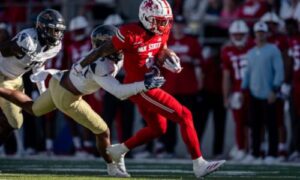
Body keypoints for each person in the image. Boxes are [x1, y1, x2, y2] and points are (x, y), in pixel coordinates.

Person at [73, 0, 225, 178]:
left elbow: (161, 48)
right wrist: (80, 66)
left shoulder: (163, 30)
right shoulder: (130, 33)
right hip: (139, 86)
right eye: (160, 20)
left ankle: (119, 150)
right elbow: (101, 50)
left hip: (151, 81)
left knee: (158, 128)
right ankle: (199, 164)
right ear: (146, 18)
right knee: (185, 115)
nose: (165, 24)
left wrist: (168, 56)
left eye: (166, 20)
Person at [0, 24, 165, 177]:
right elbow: (119, 92)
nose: (119, 45)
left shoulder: (109, 55)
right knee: (102, 131)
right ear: (104, 46)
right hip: (68, 96)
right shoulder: (101, 65)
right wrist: (144, 84)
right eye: (115, 42)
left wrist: (158, 58)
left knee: (33, 108)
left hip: (59, 80)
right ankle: (112, 168)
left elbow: (137, 53)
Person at [0, 9, 66, 147]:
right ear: (42, 27)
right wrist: (15, 48)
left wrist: (43, 91)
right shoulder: (27, 38)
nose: (58, 34)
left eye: (60, 30)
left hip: (15, 79)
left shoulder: (55, 47)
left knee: (15, 122)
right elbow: (4, 51)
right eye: (54, 30)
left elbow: (38, 66)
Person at [241, 21, 284, 164]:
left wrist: (275, 89)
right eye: (258, 33)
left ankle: (272, 153)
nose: (260, 35)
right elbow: (248, 73)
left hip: (269, 94)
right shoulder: (251, 53)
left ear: (266, 34)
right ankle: (255, 153)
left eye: (262, 32)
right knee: (255, 124)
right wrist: (243, 88)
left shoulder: (273, 50)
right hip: (254, 93)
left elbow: (279, 71)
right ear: (255, 34)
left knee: (271, 124)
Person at [221, 20, 253, 161]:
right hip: (238, 90)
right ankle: (241, 147)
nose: (238, 37)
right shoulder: (227, 51)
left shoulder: (253, 46)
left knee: (255, 121)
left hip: (254, 89)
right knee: (239, 121)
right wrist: (226, 96)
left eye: (241, 35)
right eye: (236, 35)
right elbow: (227, 76)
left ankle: (255, 148)